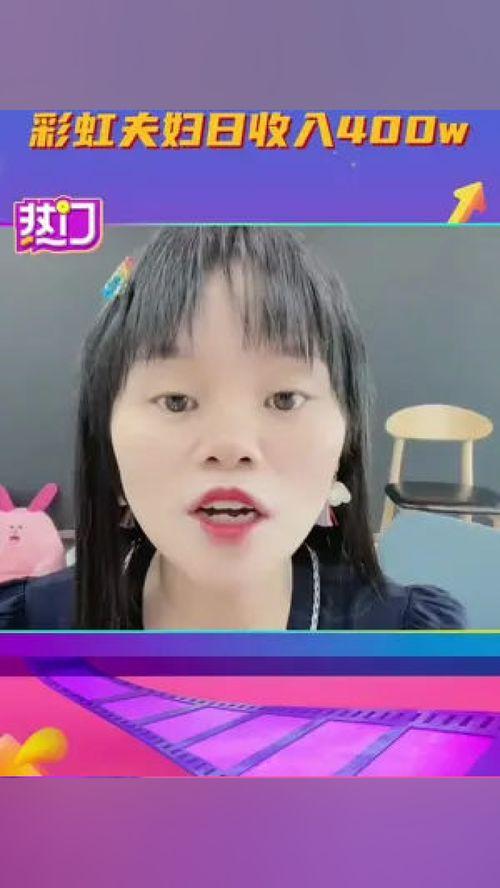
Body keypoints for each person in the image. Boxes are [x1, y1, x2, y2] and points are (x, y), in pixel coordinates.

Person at [0, 226, 465, 630]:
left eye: (284, 399)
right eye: (176, 401)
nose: (231, 446)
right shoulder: (28, 629)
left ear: (346, 436)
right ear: (105, 436)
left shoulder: (411, 646)